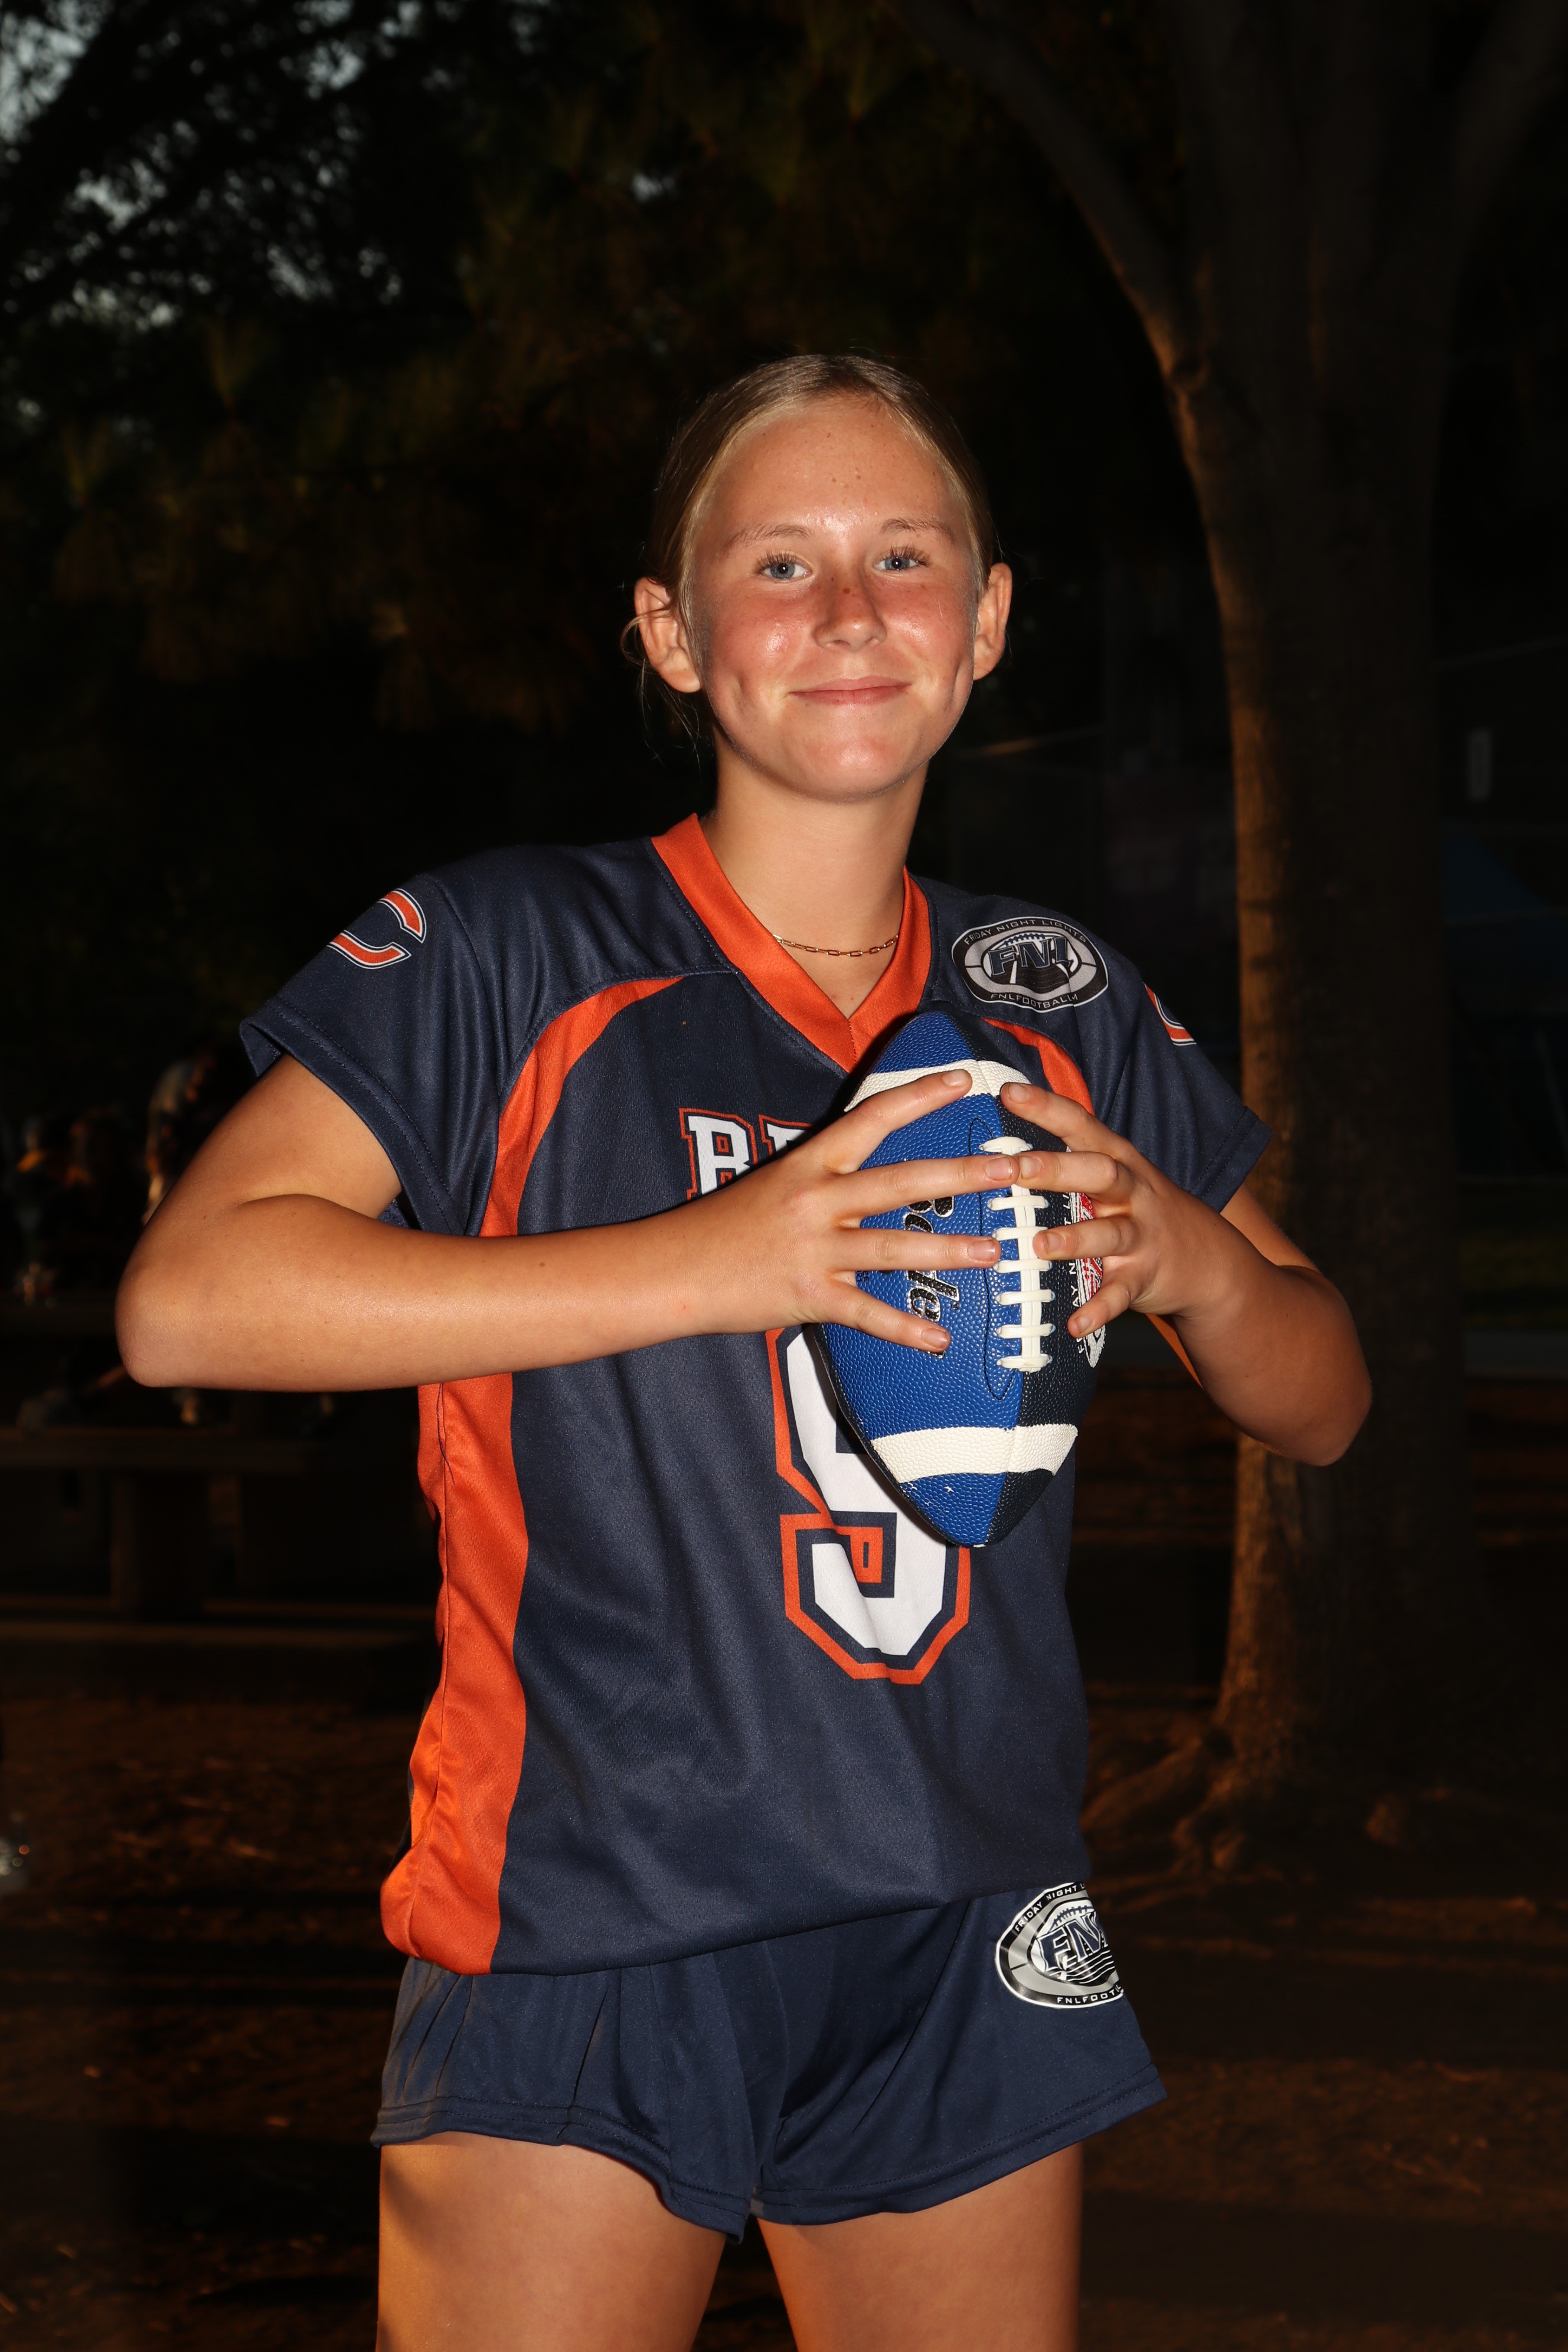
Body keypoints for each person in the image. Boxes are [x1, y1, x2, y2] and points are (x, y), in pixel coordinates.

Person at [117, 355, 1370, 2352]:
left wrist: (1195, 1255)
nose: (852, 609)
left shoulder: (1058, 1003)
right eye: (780, 563)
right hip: (592, 1900)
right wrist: (723, 1262)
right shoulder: (514, 950)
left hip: (963, 1899)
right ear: (673, 634)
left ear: (989, 620)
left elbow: (1326, 1398)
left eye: (906, 556)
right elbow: (190, 1296)